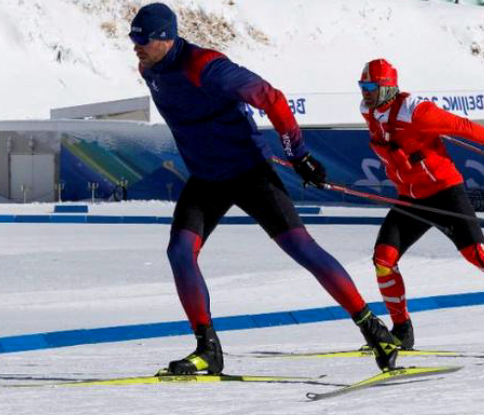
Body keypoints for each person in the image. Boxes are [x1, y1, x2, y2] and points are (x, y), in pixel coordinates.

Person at [129, 3, 397, 374]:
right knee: (179, 252)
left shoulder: (205, 66)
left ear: (165, 37)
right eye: (132, 38)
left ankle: (374, 328)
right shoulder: (149, 68)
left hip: (248, 172)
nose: (135, 46)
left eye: (141, 39)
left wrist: (299, 154)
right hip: (207, 177)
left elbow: (271, 97)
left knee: (302, 249)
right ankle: (208, 349)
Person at [356, 58, 484, 350]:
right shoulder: (369, 112)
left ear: (387, 87)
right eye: (362, 86)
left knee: (479, 255)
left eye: (371, 87)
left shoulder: (416, 111)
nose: (365, 92)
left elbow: (459, 126)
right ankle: (401, 331)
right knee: (383, 260)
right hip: (411, 198)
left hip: (444, 192)